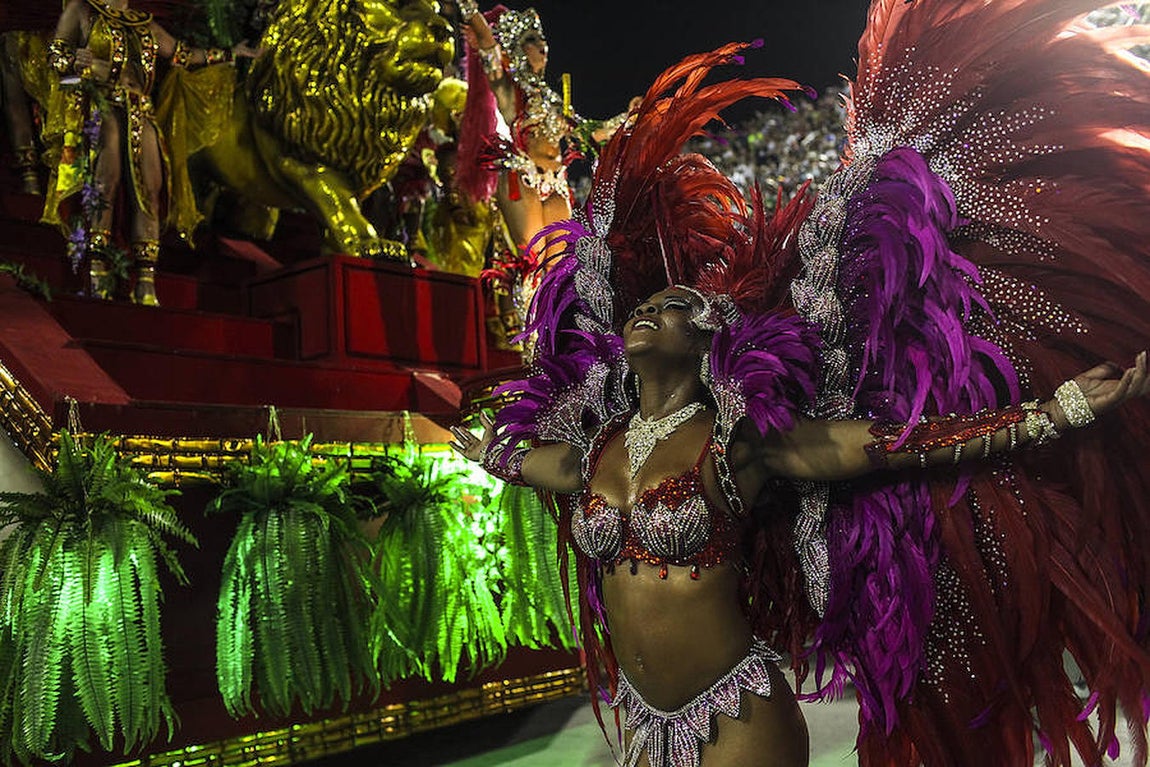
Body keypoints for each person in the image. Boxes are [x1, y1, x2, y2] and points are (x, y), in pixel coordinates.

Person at [450, 10, 1150, 764]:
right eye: (647, 306)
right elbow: (527, 463)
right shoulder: (597, 447)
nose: (651, 310)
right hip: (643, 720)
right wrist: (484, 447)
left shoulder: (737, 443)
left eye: (674, 306)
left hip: (738, 717)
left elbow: (891, 447)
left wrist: (1052, 412)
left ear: (708, 337)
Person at [45, 0, 258, 304]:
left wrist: (228, 54)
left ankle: (146, 279)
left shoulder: (143, 24)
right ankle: (96, 268)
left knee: (150, 188)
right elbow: (54, 57)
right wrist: (77, 64)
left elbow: (181, 54)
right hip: (103, 104)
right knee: (106, 178)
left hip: (141, 110)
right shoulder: (81, 10)